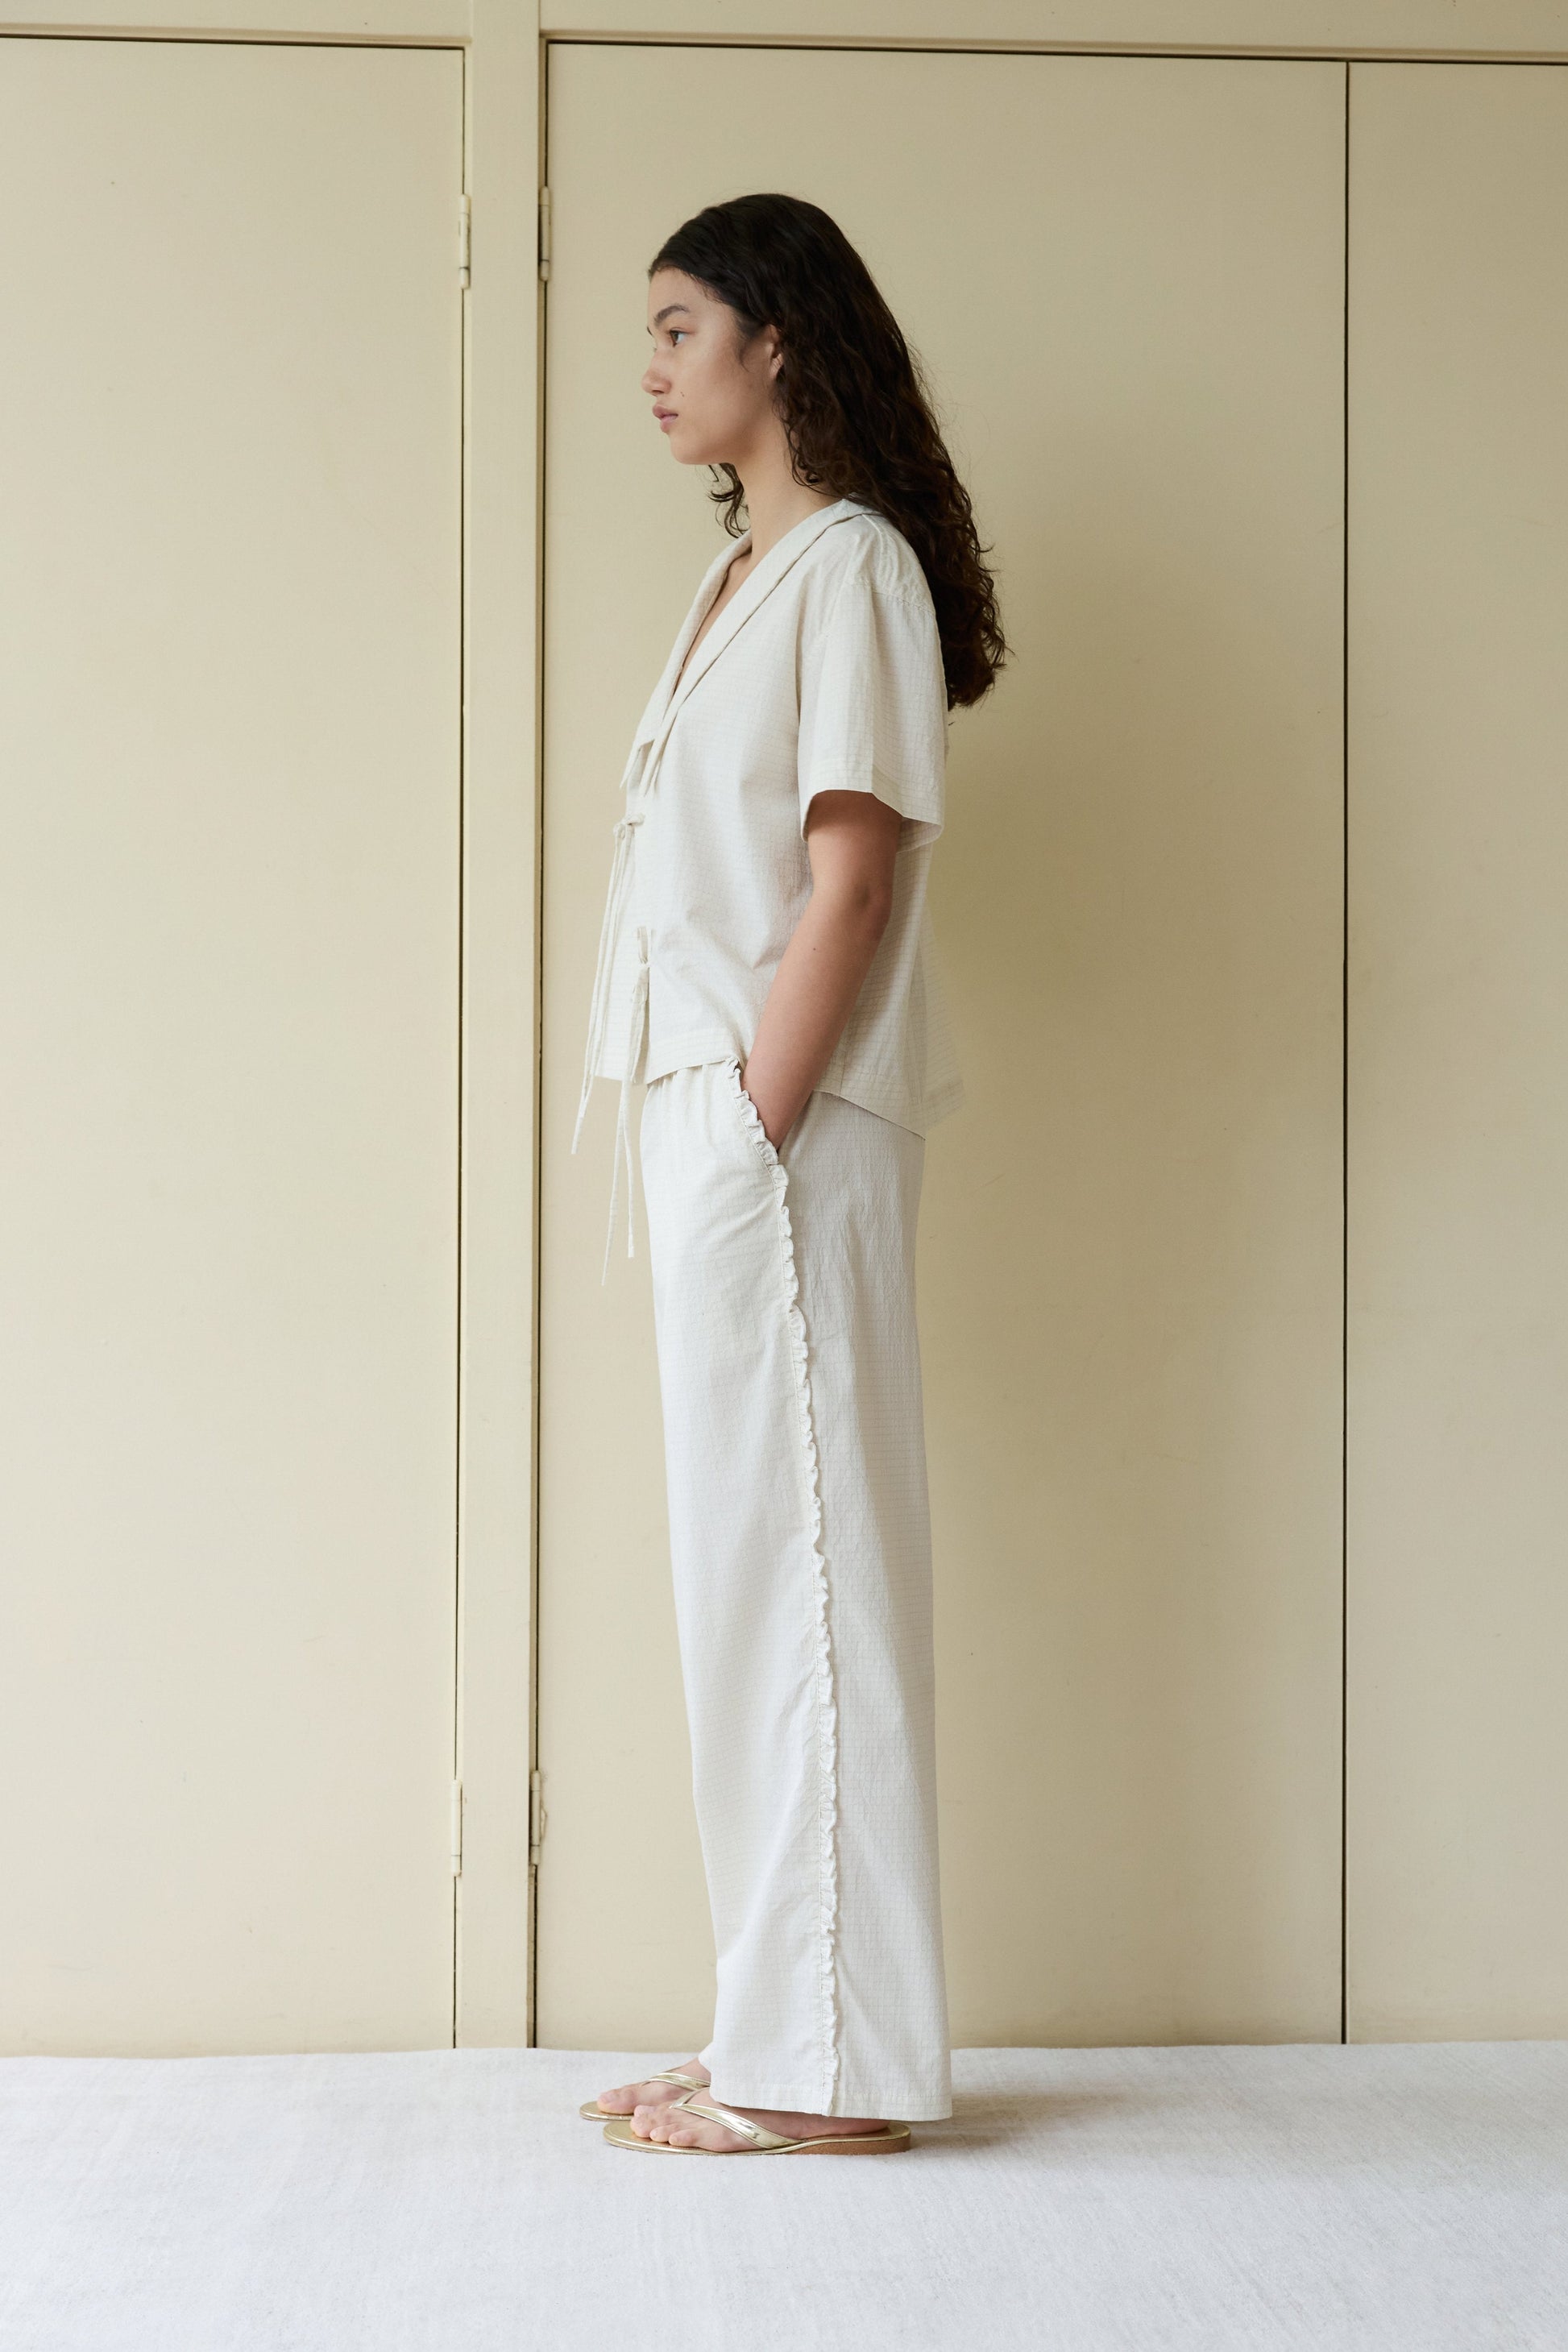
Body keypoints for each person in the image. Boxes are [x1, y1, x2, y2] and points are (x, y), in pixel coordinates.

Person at [571, 192, 1005, 2156]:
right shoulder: (743, 578)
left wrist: (750, 1118)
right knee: (747, 1579)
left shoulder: (849, 572)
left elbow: (850, 878)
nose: (651, 367)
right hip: (708, 1115)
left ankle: (827, 2076)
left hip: (780, 1125)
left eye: (680, 328)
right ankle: (781, 2021)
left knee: (809, 1578)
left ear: (775, 339)